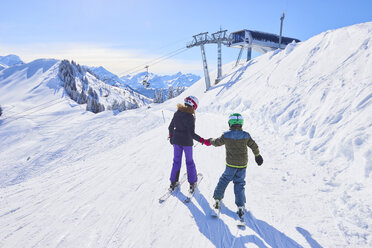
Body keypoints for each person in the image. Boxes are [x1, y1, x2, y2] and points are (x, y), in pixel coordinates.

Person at [208, 113, 263, 218]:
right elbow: (254, 146)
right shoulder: (246, 135)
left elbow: (217, 142)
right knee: (239, 183)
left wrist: (210, 141)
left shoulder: (226, 135)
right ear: (241, 124)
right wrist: (257, 155)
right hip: (242, 165)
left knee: (224, 180)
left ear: (230, 123)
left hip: (230, 164)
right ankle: (240, 205)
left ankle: (217, 199)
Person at [168, 96, 210, 193]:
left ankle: (173, 182)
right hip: (187, 143)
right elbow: (192, 134)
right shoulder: (190, 117)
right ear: (193, 105)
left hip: (176, 141)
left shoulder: (177, 113)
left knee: (176, 161)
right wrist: (204, 141)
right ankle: (192, 183)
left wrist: (171, 137)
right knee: (189, 162)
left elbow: (170, 127)